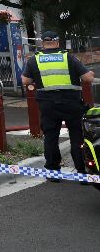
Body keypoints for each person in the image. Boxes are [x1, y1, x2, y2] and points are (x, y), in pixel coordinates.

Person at [22, 31, 95, 183]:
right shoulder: (67, 57)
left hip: (48, 105)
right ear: (57, 42)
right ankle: (82, 173)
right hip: (71, 104)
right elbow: (87, 78)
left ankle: (53, 172)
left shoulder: (35, 60)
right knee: (77, 137)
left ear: (43, 43)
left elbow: (25, 81)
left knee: (50, 137)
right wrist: (91, 73)